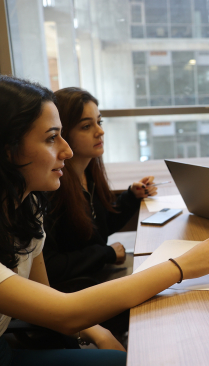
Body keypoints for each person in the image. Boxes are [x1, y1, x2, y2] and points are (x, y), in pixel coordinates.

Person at [0, 76, 209, 366]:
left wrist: (97, 332)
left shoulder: (25, 204)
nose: (65, 150)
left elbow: (47, 295)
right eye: (52, 138)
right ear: (5, 149)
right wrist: (180, 267)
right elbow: (63, 313)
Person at [44, 87, 153, 290]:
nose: (100, 131)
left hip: (94, 278)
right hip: (76, 291)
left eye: (99, 122)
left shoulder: (88, 175)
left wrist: (131, 197)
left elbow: (96, 229)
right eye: (86, 126)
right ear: (62, 132)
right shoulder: (50, 191)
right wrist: (106, 254)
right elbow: (52, 266)